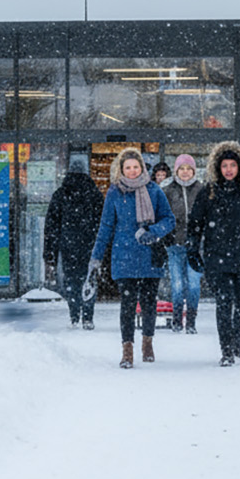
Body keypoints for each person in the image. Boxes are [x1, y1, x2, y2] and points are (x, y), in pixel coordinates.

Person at [187, 141, 240, 367]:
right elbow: (195, 223)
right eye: (224, 165)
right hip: (217, 256)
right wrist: (192, 248)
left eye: (232, 165)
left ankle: (236, 336)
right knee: (224, 303)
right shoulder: (208, 192)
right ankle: (226, 349)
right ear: (218, 167)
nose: (228, 170)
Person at [89, 148, 175, 368]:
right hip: (124, 255)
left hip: (150, 254)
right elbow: (106, 226)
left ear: (142, 167)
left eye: (136, 167)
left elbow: (169, 219)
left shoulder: (154, 190)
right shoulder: (114, 192)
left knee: (148, 303)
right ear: (121, 169)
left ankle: (147, 343)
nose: (132, 171)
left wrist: (153, 231)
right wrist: (96, 256)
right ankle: (127, 350)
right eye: (128, 167)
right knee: (127, 304)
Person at [43, 160, 104, 329]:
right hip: (90, 244)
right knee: (89, 279)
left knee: (71, 281)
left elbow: (51, 225)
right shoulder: (94, 193)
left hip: (68, 245)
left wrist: (50, 251)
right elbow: (103, 223)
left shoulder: (61, 194)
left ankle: (74, 315)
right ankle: (88, 316)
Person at [164, 153, 204, 333]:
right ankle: (177, 318)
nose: (185, 172)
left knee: (194, 284)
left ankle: (191, 320)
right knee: (177, 285)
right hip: (175, 245)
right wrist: (167, 235)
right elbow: (162, 216)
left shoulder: (202, 190)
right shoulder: (168, 191)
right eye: (182, 168)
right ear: (176, 171)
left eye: (189, 168)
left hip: (196, 245)